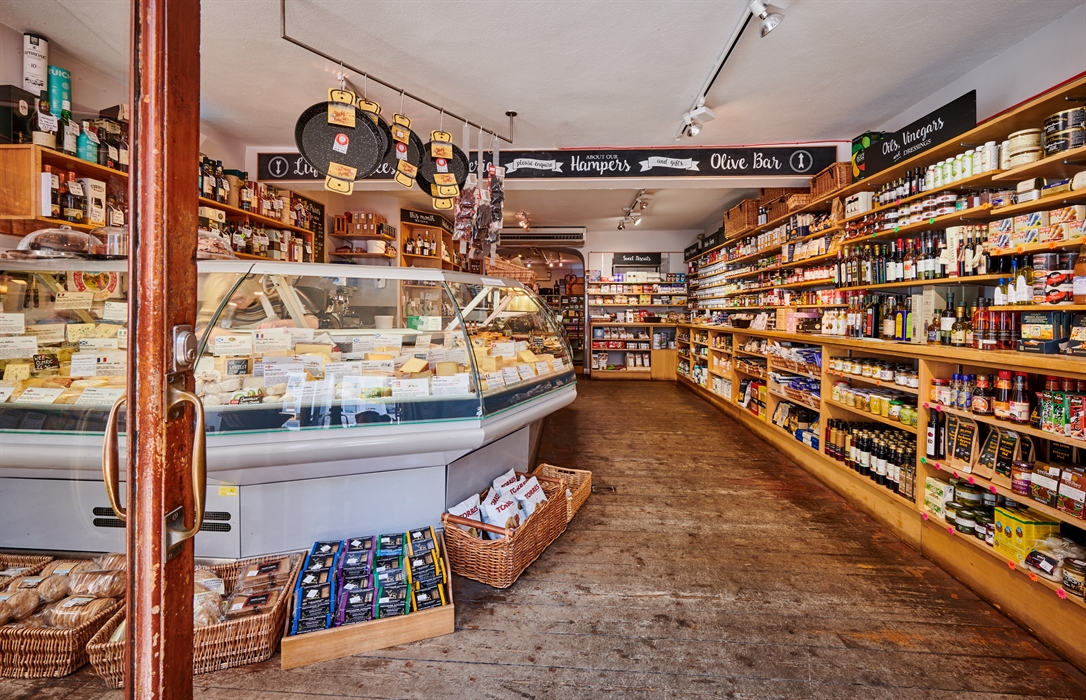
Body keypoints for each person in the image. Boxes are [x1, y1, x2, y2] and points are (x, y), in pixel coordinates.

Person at [196, 273, 319, 340]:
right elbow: (199, 333)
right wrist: (243, 339)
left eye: (240, 298)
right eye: (228, 301)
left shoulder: (274, 293)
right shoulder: (216, 301)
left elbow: (312, 323)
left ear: (253, 290)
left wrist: (281, 324)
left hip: (272, 359)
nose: (234, 304)